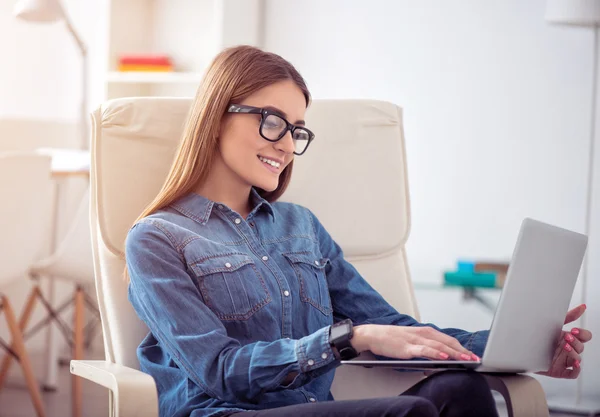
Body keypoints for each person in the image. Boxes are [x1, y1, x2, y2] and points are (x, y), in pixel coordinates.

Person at [124, 45, 592, 417]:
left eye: (297, 130)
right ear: (217, 114)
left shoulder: (301, 227)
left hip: (314, 410)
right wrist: (349, 337)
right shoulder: (156, 239)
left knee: (462, 389)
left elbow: (397, 331)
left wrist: (518, 347)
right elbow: (219, 371)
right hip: (225, 412)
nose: (287, 145)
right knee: (408, 413)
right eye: (273, 122)